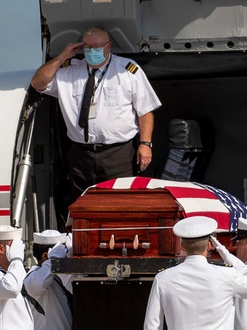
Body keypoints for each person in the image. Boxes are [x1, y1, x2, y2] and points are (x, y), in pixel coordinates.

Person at [30, 26, 162, 201]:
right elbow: (37, 84)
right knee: (83, 205)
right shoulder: (68, 71)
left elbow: (145, 110)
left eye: (97, 47)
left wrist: (145, 144)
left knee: (120, 203)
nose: (92, 51)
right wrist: (62, 56)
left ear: (108, 46)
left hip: (117, 154)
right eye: (88, 47)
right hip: (81, 155)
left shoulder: (127, 70)